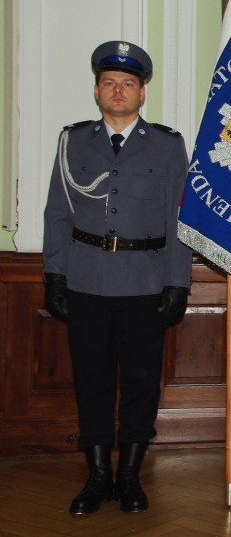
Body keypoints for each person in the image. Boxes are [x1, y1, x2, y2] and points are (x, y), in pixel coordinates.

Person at [42, 41, 192, 515]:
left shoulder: (167, 145)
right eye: (110, 83)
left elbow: (177, 220)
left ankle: (128, 475)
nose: (119, 90)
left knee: (143, 382)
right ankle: (97, 477)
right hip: (86, 278)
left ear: (142, 93)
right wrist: (54, 275)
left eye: (128, 84)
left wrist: (177, 282)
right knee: (92, 381)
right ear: (96, 91)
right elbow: (57, 214)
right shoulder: (73, 141)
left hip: (146, 283)